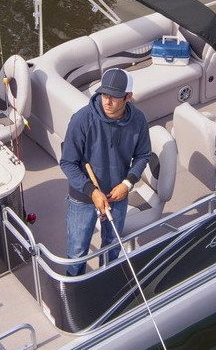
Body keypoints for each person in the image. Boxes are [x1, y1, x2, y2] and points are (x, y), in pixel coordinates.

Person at [60, 67, 150, 275]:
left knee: (112, 246)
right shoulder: (81, 120)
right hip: (83, 197)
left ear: (128, 97)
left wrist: (127, 183)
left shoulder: (138, 120)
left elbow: (143, 155)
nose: (107, 101)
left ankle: (106, 280)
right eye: (104, 94)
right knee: (77, 251)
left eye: (114, 96)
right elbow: (68, 163)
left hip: (118, 194)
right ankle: (75, 287)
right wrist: (91, 191)